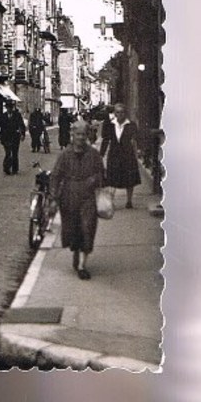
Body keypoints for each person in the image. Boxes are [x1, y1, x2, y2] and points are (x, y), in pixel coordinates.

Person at [50, 118, 105, 280]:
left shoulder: (94, 155)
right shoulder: (65, 155)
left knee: (87, 228)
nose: (81, 137)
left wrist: (94, 179)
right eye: (78, 134)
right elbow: (55, 176)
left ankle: (82, 265)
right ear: (72, 135)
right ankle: (76, 250)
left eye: (83, 134)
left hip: (88, 197)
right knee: (73, 230)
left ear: (88, 135)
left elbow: (102, 173)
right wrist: (53, 197)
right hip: (69, 196)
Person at [99, 102, 141, 209]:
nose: (120, 114)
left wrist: (137, 152)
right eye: (118, 112)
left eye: (122, 112)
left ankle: (129, 201)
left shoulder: (131, 125)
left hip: (128, 154)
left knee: (129, 178)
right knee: (112, 178)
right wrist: (101, 155)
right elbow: (106, 140)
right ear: (115, 114)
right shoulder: (110, 125)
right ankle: (111, 202)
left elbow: (135, 139)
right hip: (114, 153)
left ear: (125, 113)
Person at [0, 100, 27, 175]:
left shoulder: (17, 115)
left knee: (15, 153)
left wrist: (23, 134)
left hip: (15, 136)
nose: (9, 109)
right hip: (6, 137)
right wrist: (1, 138)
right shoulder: (3, 116)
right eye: (8, 107)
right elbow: (1, 127)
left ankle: (15, 169)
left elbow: (21, 125)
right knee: (8, 153)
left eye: (11, 107)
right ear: (6, 108)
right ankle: (6, 168)